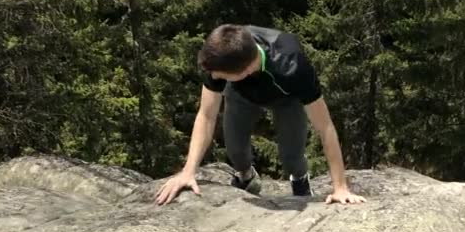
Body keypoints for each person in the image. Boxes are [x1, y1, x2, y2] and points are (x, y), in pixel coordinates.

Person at [155, 24, 366, 205]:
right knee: (235, 150)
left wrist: (340, 187)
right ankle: (247, 176)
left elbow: (325, 126)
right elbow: (207, 115)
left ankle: (300, 180)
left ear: (244, 71)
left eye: (219, 75)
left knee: (291, 155)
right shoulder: (223, 50)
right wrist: (188, 171)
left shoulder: (293, 66)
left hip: (286, 98)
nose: (213, 77)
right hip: (241, 95)